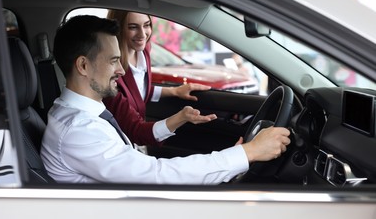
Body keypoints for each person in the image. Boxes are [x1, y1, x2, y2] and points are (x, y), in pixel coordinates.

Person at [40, 15, 291, 184]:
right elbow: (156, 175)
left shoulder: (78, 114)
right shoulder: (79, 131)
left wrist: (236, 156)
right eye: (114, 61)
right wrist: (249, 152)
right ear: (83, 65)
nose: (121, 71)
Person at [103, 9, 211, 147]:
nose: (143, 34)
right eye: (133, 27)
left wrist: (175, 91)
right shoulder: (111, 74)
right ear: (118, 29)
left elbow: (139, 89)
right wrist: (181, 117)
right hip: (118, 143)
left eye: (146, 25)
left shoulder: (143, 50)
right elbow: (136, 130)